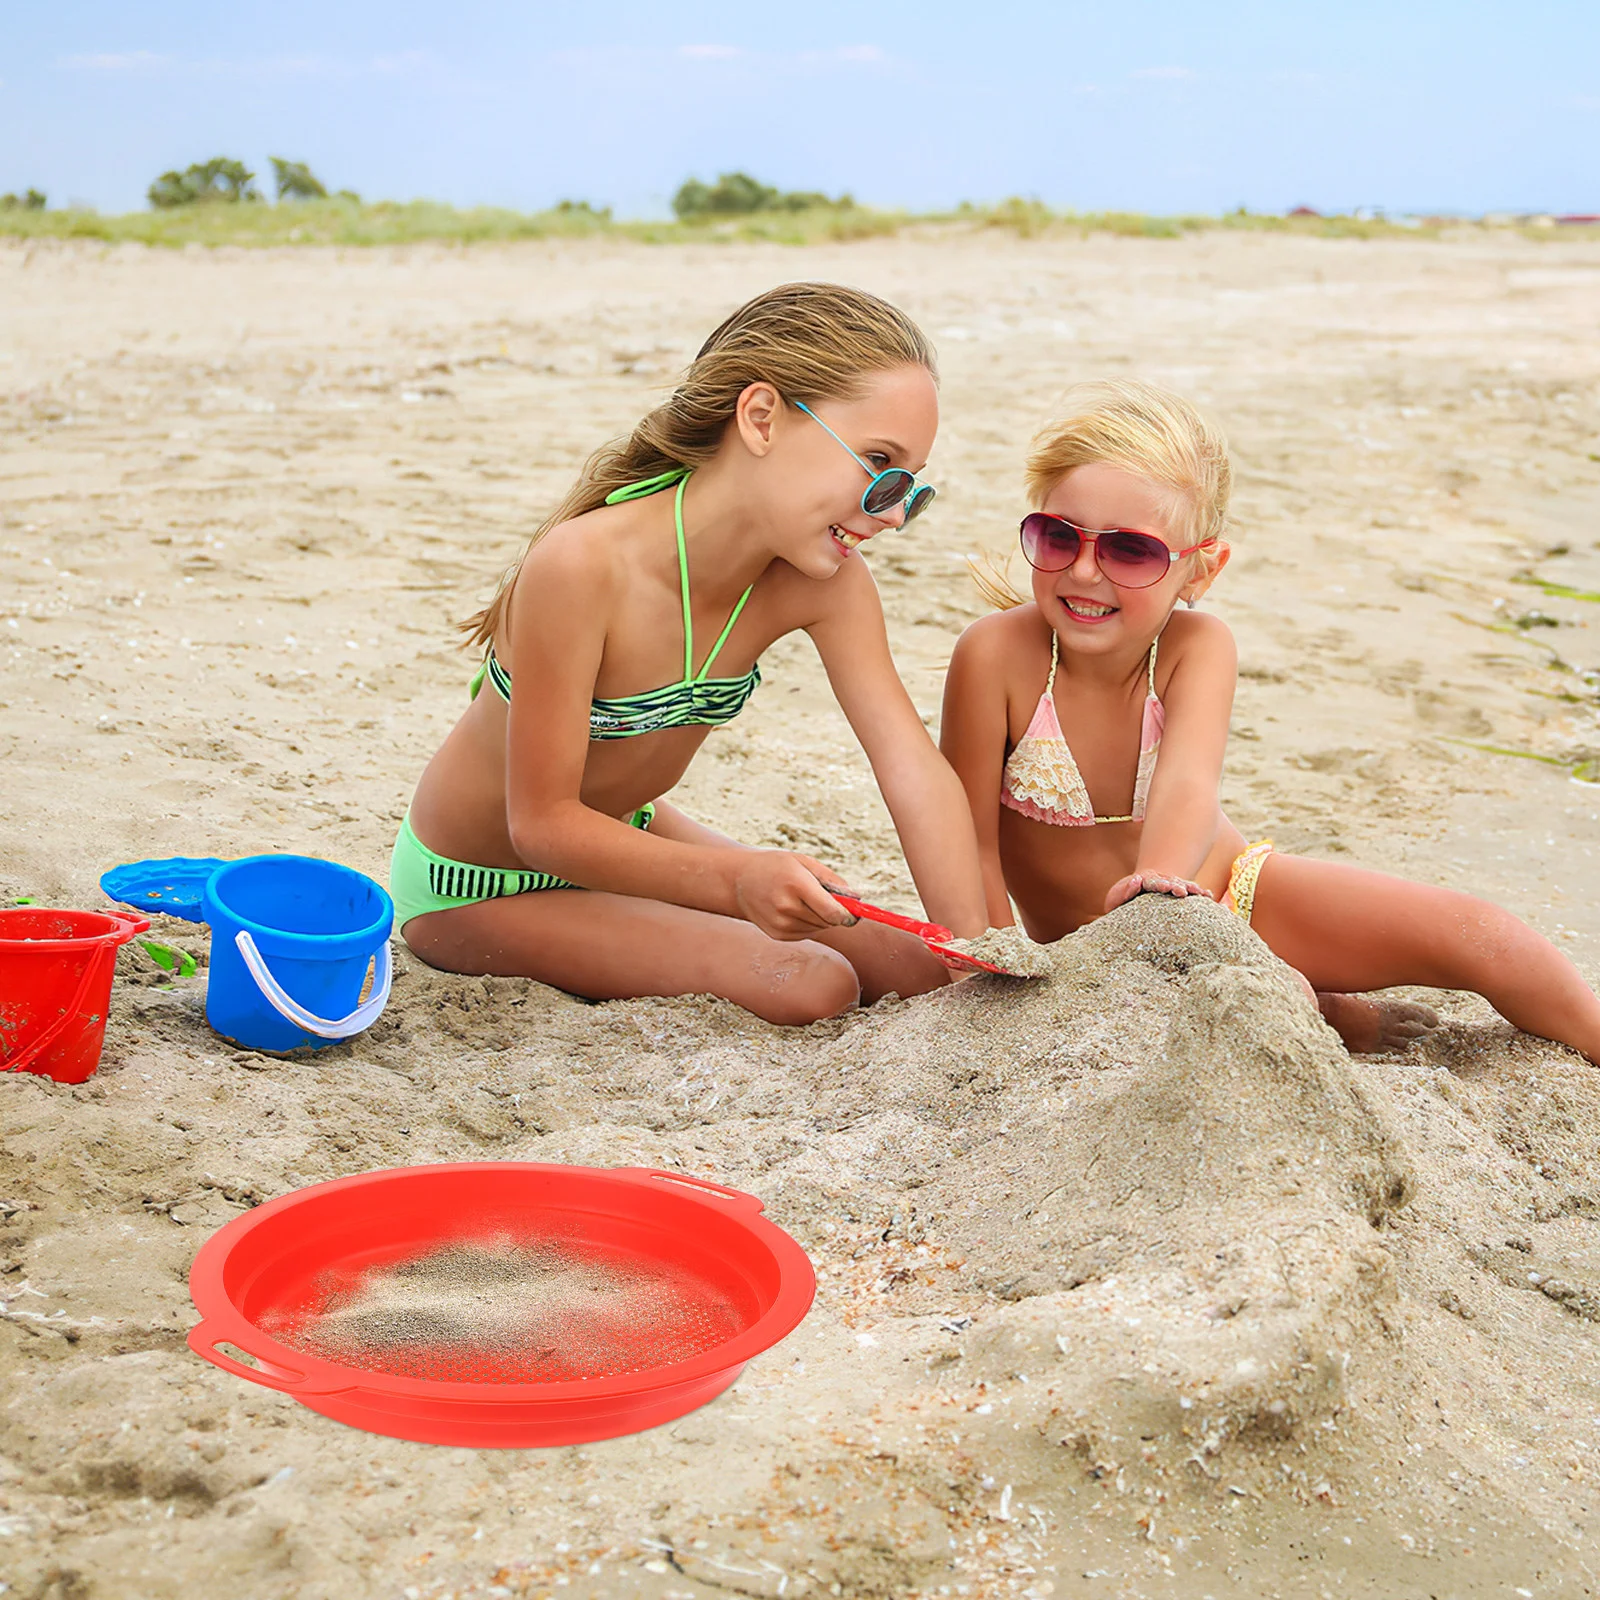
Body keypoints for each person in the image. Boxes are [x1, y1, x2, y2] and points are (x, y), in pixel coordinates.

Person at [940, 378, 1600, 1062]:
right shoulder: (995, 656)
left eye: (1129, 551)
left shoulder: (1198, 648)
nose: (1083, 571)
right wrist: (993, 961)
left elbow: (1188, 784)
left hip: (1222, 894)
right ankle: (1324, 1008)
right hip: (1091, 956)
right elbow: (967, 838)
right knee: (1275, 1000)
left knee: (1477, 931)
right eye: (1058, 537)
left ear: (1201, 571)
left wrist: (1161, 886)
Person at [391, 282, 987, 1024]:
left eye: (910, 489)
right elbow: (540, 823)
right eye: (879, 466)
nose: (894, 514)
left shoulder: (824, 582)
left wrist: (976, 951)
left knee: (922, 970)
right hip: (477, 884)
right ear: (762, 418)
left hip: (624, 842)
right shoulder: (584, 566)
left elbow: (910, 765)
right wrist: (736, 880)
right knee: (812, 981)